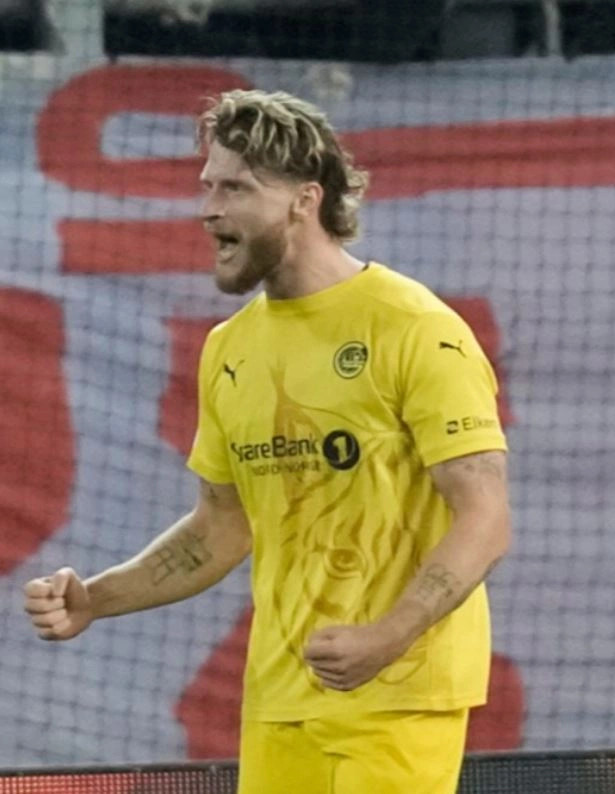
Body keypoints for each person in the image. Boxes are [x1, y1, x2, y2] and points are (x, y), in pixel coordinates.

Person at [23, 89, 511, 794]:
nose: (208, 209)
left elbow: (485, 516)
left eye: (235, 189)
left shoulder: (413, 327)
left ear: (304, 200)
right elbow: (221, 526)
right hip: (281, 697)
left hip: (400, 692)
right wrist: (96, 599)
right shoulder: (229, 349)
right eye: (206, 186)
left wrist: (389, 635)